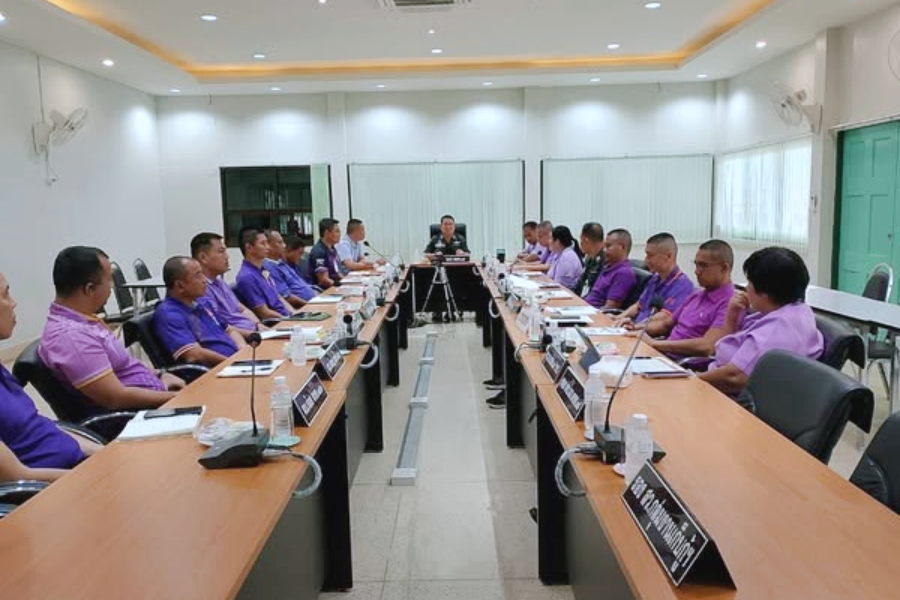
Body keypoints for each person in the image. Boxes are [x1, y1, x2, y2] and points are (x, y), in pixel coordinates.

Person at [39, 247, 183, 413]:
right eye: (109, 280)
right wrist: (177, 398)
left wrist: (160, 374)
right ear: (90, 289)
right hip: (142, 414)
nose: (112, 287)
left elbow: (125, 364)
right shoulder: (72, 337)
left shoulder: (84, 319)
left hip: (158, 395)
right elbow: (116, 398)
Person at [0, 271, 101, 482]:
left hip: (75, 468)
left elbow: (37, 426)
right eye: (5, 295)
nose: (13, 303)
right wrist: (95, 477)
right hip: (53, 490)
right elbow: (19, 477)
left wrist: (106, 454)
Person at [699, 247, 824, 396]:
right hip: (716, 381)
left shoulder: (776, 330)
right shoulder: (796, 310)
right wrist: (731, 318)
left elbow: (733, 377)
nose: (746, 288)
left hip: (731, 399)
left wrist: (693, 379)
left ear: (765, 293)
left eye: (749, 282)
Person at [643, 240, 736, 359]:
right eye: (696, 265)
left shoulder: (730, 303)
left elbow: (707, 346)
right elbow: (665, 324)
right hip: (664, 355)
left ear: (724, 268)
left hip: (685, 364)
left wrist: (655, 344)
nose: (696, 271)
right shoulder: (696, 295)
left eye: (703, 266)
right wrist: (637, 331)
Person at [153, 257, 246, 367]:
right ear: (180, 286)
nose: (204, 280)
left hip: (236, 362)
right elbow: (195, 354)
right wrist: (232, 363)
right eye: (198, 275)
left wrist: (243, 352)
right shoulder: (169, 314)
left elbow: (230, 330)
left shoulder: (202, 302)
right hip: (216, 370)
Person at [614, 233, 694, 327]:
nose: (646, 260)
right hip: (635, 328)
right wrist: (618, 318)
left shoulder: (683, 285)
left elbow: (663, 318)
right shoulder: (654, 278)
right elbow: (639, 305)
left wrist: (634, 326)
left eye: (650, 255)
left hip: (649, 332)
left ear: (668, 256)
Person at [191, 232, 263, 335]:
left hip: (255, 332)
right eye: (221, 252)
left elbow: (241, 309)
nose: (227, 256)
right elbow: (220, 327)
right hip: (243, 337)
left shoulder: (220, 282)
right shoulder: (201, 289)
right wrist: (254, 335)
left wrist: (258, 324)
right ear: (203, 257)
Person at [234, 228, 295, 320]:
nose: (268, 247)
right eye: (263, 243)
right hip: (277, 322)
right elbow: (264, 313)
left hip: (287, 318)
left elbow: (278, 297)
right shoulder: (247, 277)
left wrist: (295, 313)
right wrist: (288, 319)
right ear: (249, 247)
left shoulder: (263, 270)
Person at [584, 229, 637, 309]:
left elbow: (609, 308)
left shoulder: (624, 273)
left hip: (594, 313)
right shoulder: (607, 267)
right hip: (585, 308)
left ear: (621, 247)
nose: (604, 250)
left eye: (608, 246)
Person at [264, 229, 316, 308]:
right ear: (268, 246)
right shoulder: (269, 268)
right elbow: (286, 296)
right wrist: (310, 305)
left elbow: (300, 284)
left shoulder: (281, 263)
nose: (284, 246)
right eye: (280, 242)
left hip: (312, 301)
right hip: (301, 307)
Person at [307, 218, 344, 288]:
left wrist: (347, 281)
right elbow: (324, 280)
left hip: (334, 285)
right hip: (324, 290)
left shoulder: (332, 248)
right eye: (337, 231)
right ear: (326, 233)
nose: (339, 234)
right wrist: (341, 285)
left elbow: (337, 272)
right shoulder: (319, 252)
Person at [547, 226, 584, 291]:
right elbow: (549, 276)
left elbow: (558, 285)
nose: (548, 241)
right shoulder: (558, 254)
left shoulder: (567, 257)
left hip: (567, 293)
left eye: (550, 238)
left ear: (557, 241)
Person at [577, 222, 605, 296]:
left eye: (581, 241)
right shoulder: (589, 258)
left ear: (586, 240)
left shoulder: (604, 262)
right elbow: (580, 284)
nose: (580, 244)